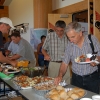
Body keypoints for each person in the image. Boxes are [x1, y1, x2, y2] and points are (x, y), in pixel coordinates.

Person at [54, 22, 100, 93]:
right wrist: (60, 75)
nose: (70, 40)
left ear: (80, 33)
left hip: (92, 78)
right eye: (68, 37)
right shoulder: (70, 45)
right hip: (76, 79)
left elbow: (99, 56)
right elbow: (65, 63)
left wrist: (96, 61)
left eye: (73, 37)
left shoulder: (92, 39)